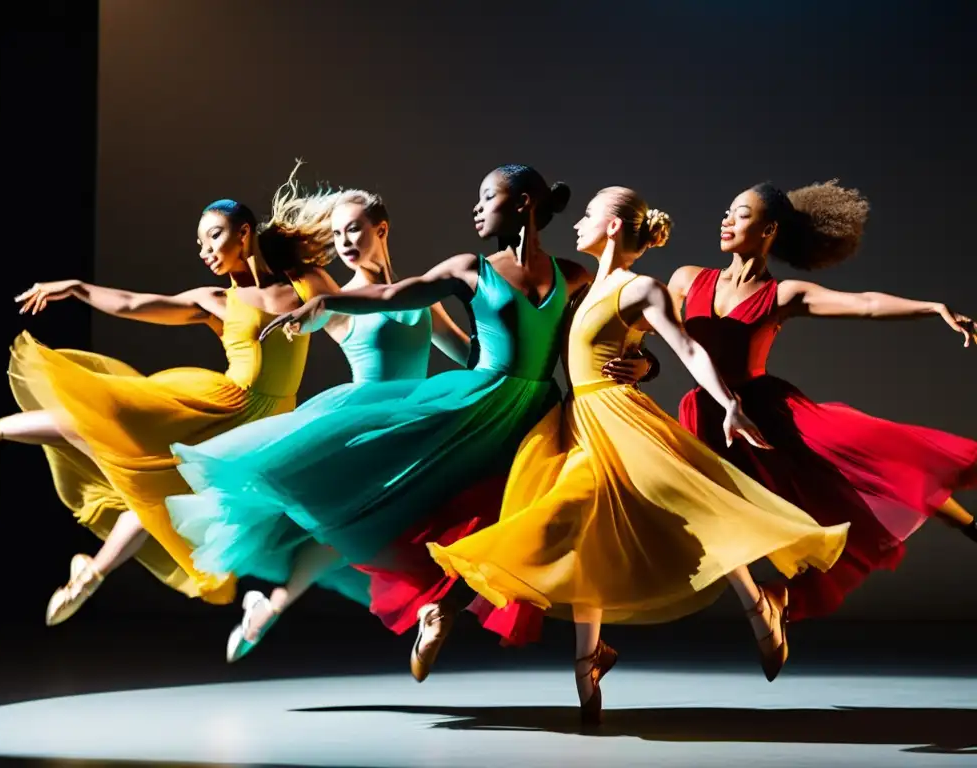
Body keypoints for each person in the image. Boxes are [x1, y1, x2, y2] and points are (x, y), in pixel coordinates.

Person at [169, 164, 653, 665]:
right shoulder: (425, 277)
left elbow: (585, 333)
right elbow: (385, 295)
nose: (477, 208)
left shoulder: (568, 277)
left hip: (499, 407)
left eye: (353, 228)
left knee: (512, 516)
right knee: (380, 524)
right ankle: (305, 605)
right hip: (375, 417)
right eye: (336, 233)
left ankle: (473, 617)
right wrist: (318, 302)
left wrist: (645, 361)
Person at [428, 187, 849, 724]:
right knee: (584, 530)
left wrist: (728, 402)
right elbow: (597, 345)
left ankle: (757, 607)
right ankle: (589, 661)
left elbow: (687, 347)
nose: (577, 222)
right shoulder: (580, 287)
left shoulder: (641, 287)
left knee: (689, 507)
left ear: (612, 225)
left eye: (587, 215)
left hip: (619, 418)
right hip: (577, 421)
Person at [0, 169, 339, 624]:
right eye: (200, 243)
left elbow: (355, 311)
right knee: (107, 421)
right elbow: (136, 304)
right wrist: (77, 288)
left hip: (267, 425)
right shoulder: (216, 300)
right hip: (223, 405)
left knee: (157, 489)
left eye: (213, 236)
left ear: (245, 232)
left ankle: (91, 575)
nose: (206, 250)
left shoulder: (304, 282)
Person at [665, 180, 975, 621]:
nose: (726, 219)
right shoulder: (686, 279)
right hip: (706, 417)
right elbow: (644, 328)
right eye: (727, 212)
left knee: (870, 463)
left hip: (767, 414)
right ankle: (765, 611)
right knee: (713, 518)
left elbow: (865, 303)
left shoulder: (783, 295)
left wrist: (933, 307)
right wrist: (640, 365)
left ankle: (970, 525)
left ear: (769, 229)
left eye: (741, 213)